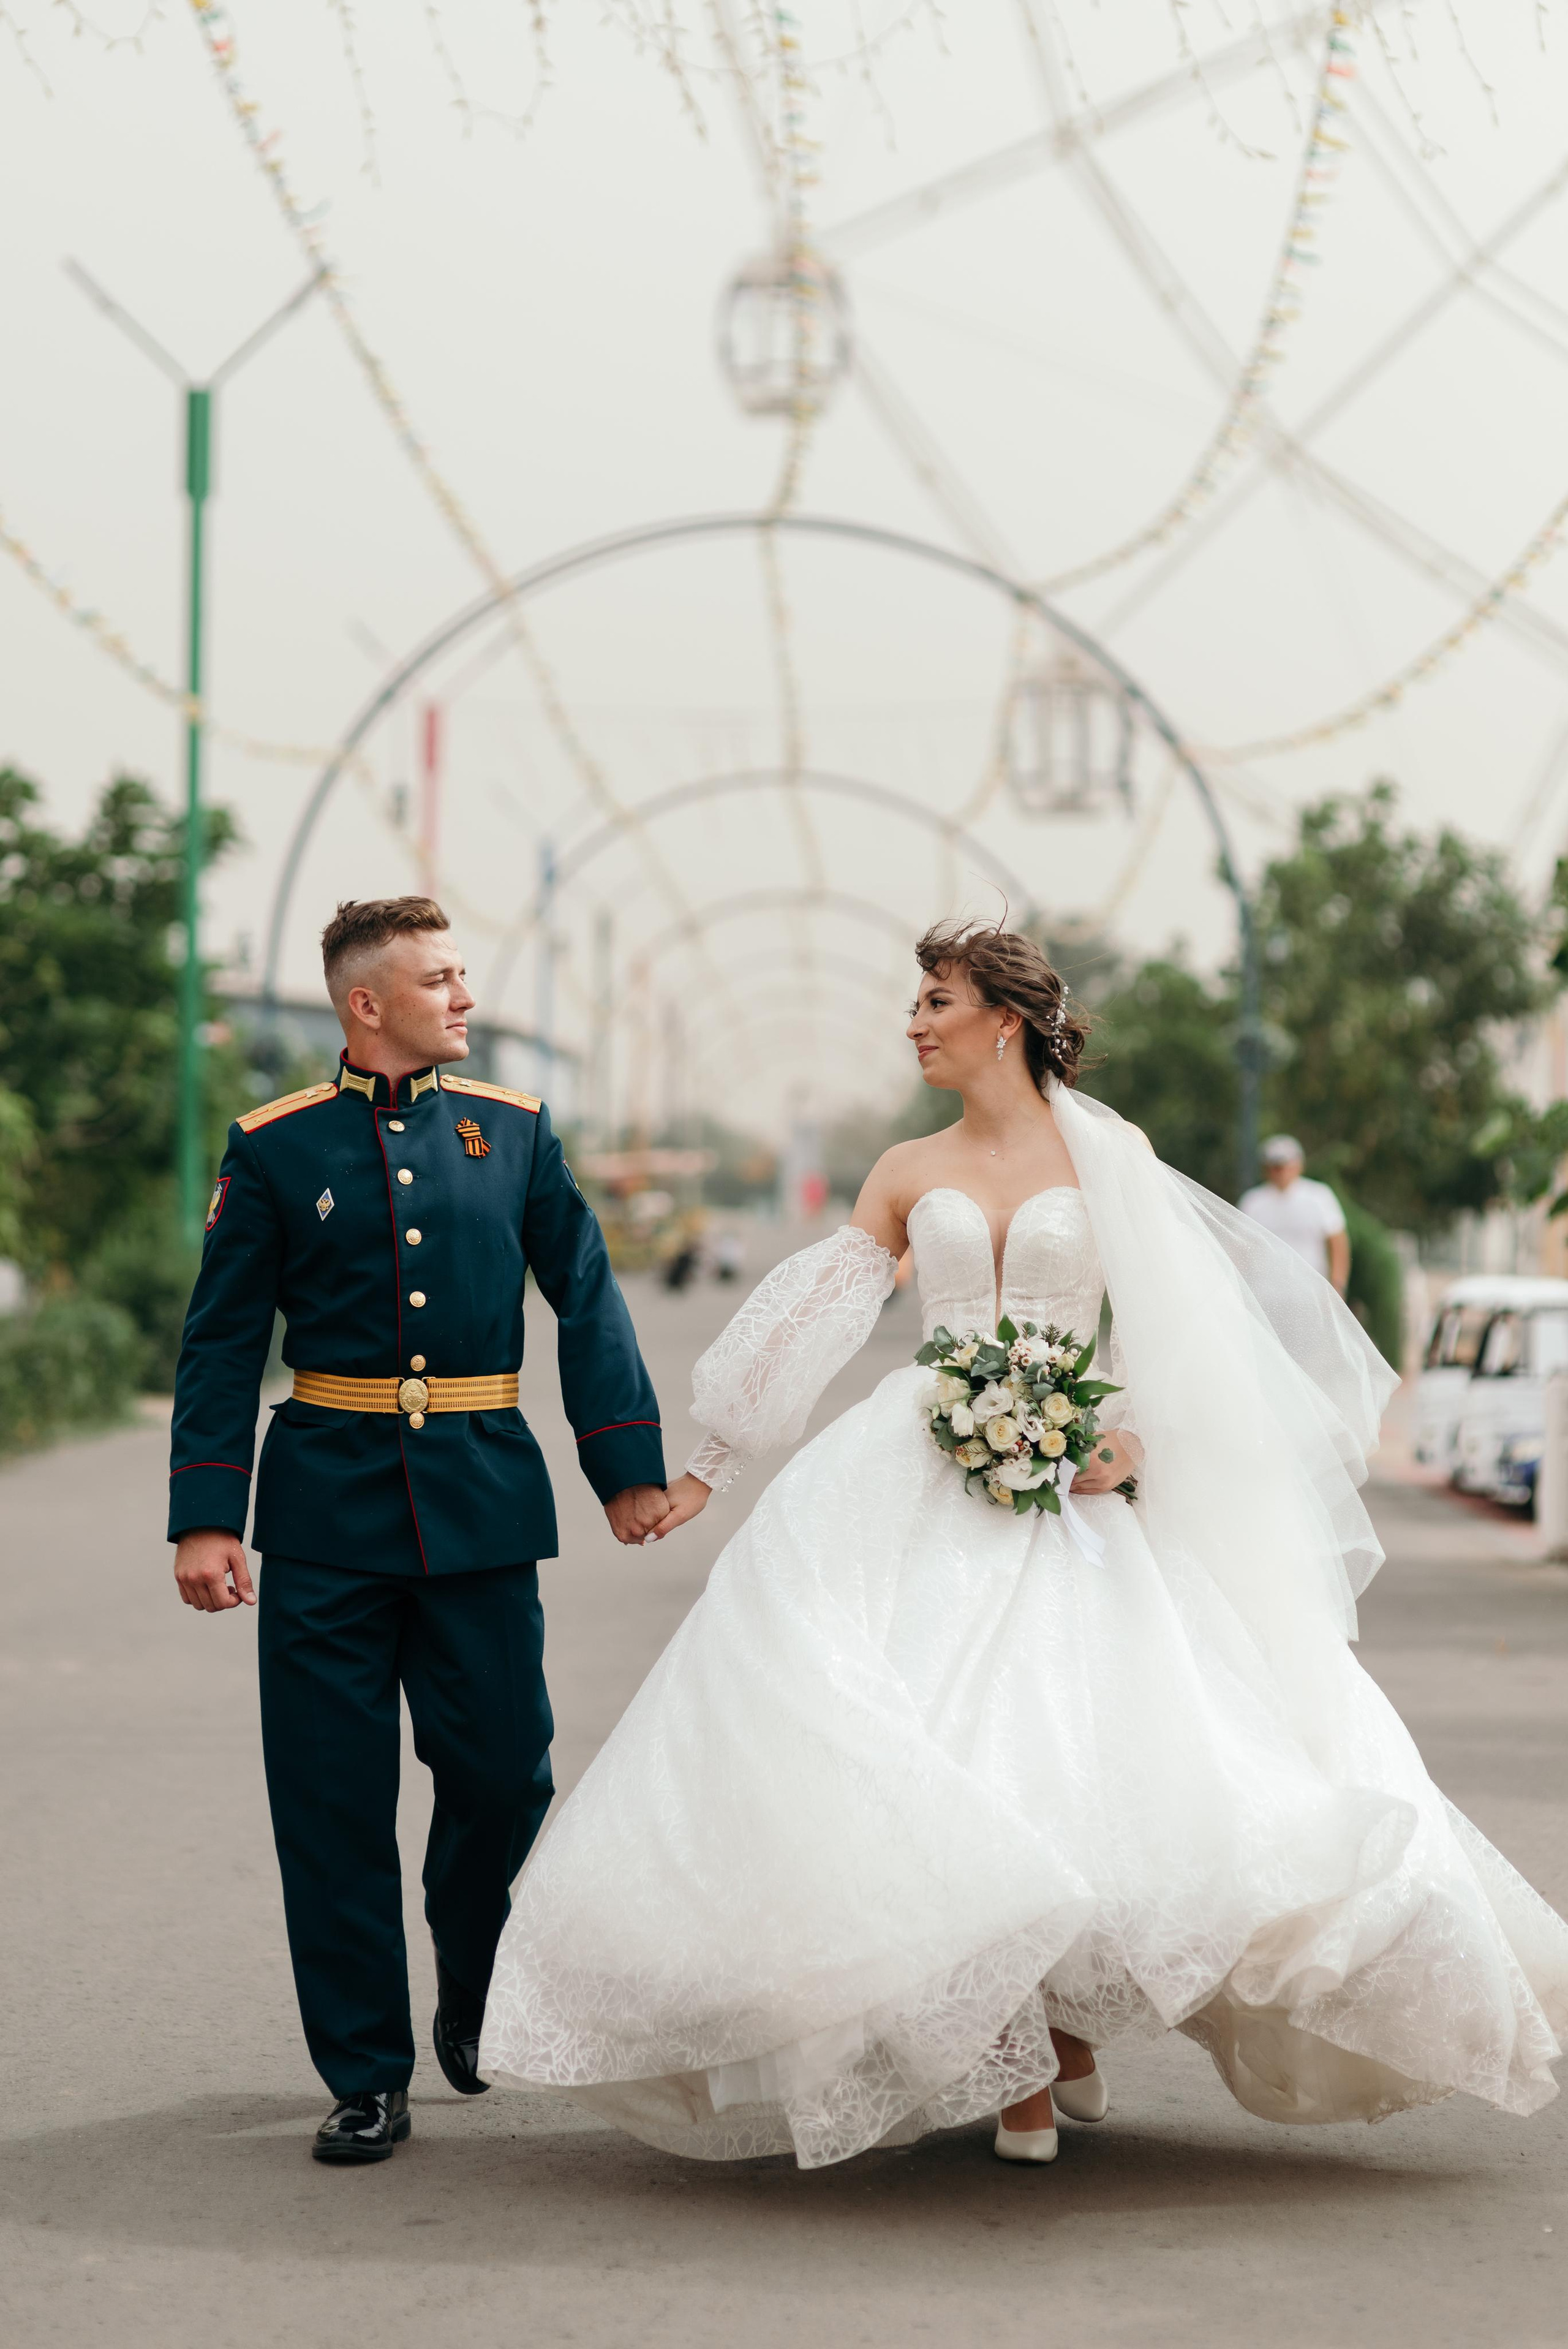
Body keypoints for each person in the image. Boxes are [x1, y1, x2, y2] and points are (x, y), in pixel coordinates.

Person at [480, 920, 1568, 2171]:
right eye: (912, 1000)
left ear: (1000, 1017)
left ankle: (1060, 2036)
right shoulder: (902, 1165)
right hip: (915, 1470)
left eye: (931, 1000)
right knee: (936, 1748)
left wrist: (1134, 1445)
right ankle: (1020, 2070)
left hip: (1075, 1481)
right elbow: (808, 1324)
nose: (912, 1022)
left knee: (1078, 1751)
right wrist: (705, 1468)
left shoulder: (1111, 1155)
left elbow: (1183, 1333)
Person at [167, 896, 669, 2166]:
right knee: (330, 1804)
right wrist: (205, 1519)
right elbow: (224, 1340)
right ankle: (365, 2074)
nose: (464, 997)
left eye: (462, 975)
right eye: (439, 979)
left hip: (482, 1504)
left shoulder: (514, 1134)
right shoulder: (275, 1147)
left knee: (507, 1772)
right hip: (325, 1515)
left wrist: (622, 1461)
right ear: (364, 1003)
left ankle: (473, 1966)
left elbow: (588, 1296)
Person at [1240, 1133, 1351, 1293]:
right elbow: (1241, 1248)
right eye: (1275, 1166)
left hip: (1310, 1291)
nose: (1281, 1172)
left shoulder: (1319, 1196)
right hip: (1264, 1292)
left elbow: (1337, 1241)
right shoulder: (1253, 1201)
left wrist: (1338, 1285)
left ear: (1299, 1165)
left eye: (1285, 1165)